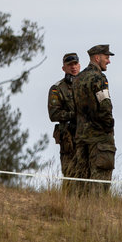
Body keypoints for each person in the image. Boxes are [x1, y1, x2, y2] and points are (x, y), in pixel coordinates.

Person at [73, 44, 116, 195]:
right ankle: (97, 216)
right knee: (99, 187)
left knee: (82, 186)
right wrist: (109, 126)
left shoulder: (77, 79)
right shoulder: (99, 78)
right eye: (106, 57)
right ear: (97, 58)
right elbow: (105, 106)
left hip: (81, 138)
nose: (108, 61)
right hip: (99, 139)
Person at [47, 52, 81, 195]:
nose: (73, 67)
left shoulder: (86, 86)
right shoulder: (57, 88)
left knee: (87, 177)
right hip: (68, 138)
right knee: (70, 175)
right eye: (70, 65)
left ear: (79, 65)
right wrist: (74, 115)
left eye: (75, 64)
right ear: (64, 68)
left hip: (86, 137)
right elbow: (54, 114)